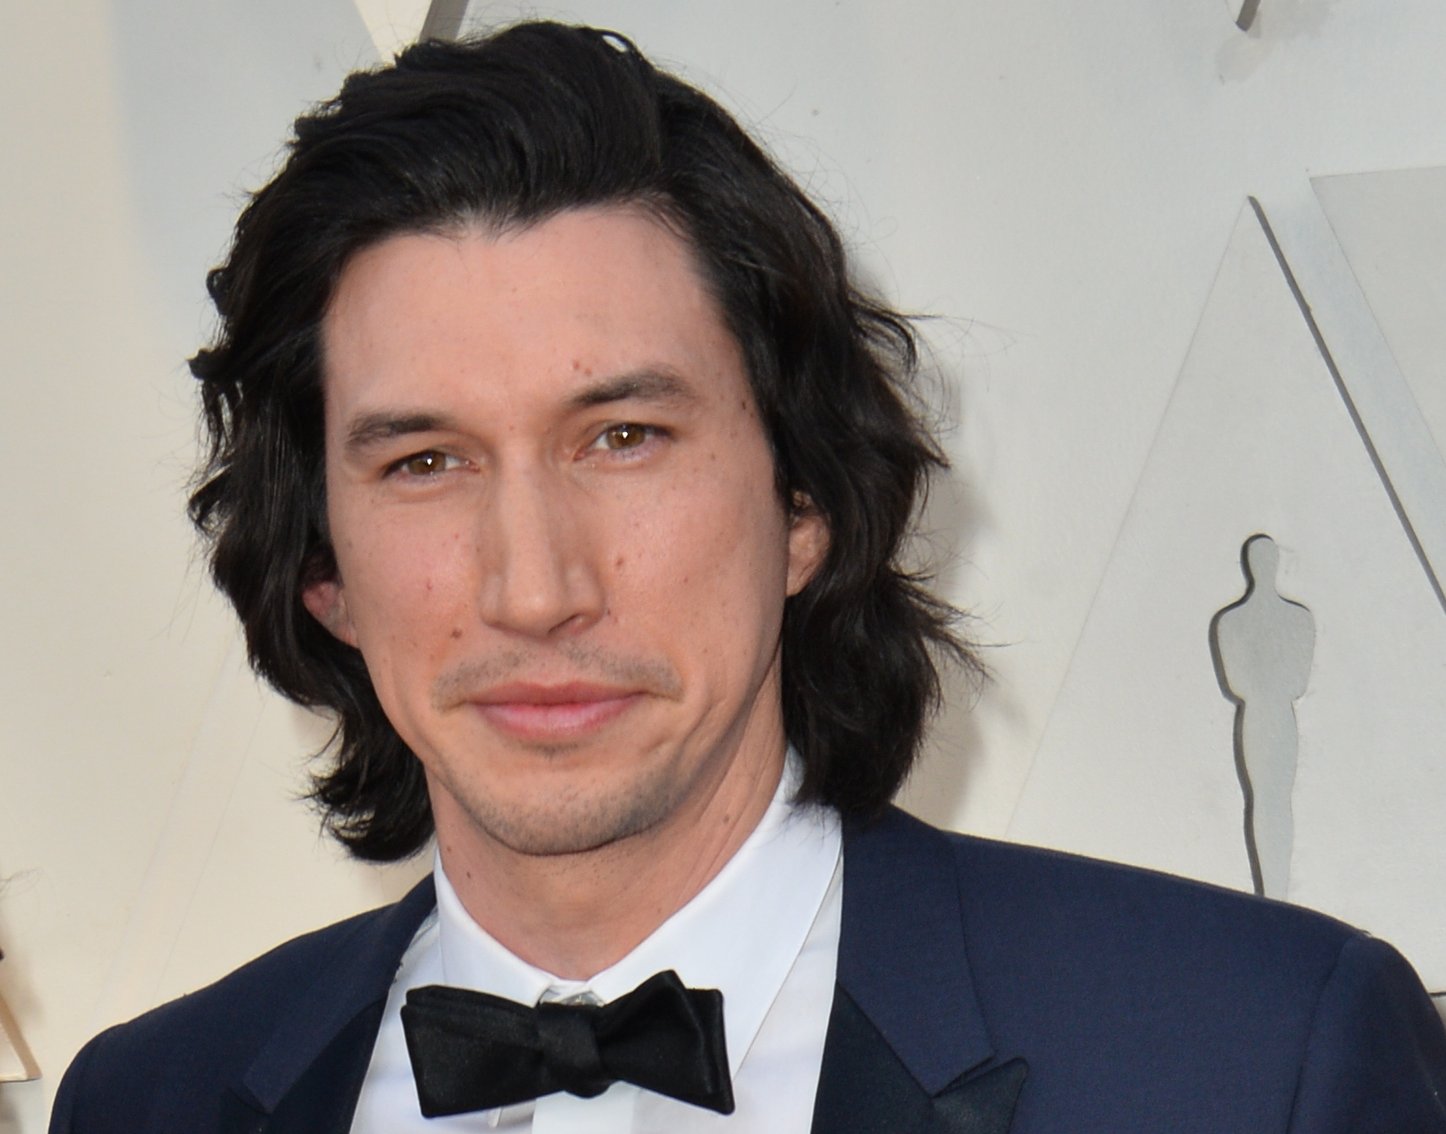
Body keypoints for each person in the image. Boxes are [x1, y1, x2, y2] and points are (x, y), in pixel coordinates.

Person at [50, 21, 1446, 1133]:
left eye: (623, 438)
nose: (534, 588)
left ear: (802, 505)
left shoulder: (1254, 1063)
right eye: (425, 461)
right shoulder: (147, 1101)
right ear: (319, 569)